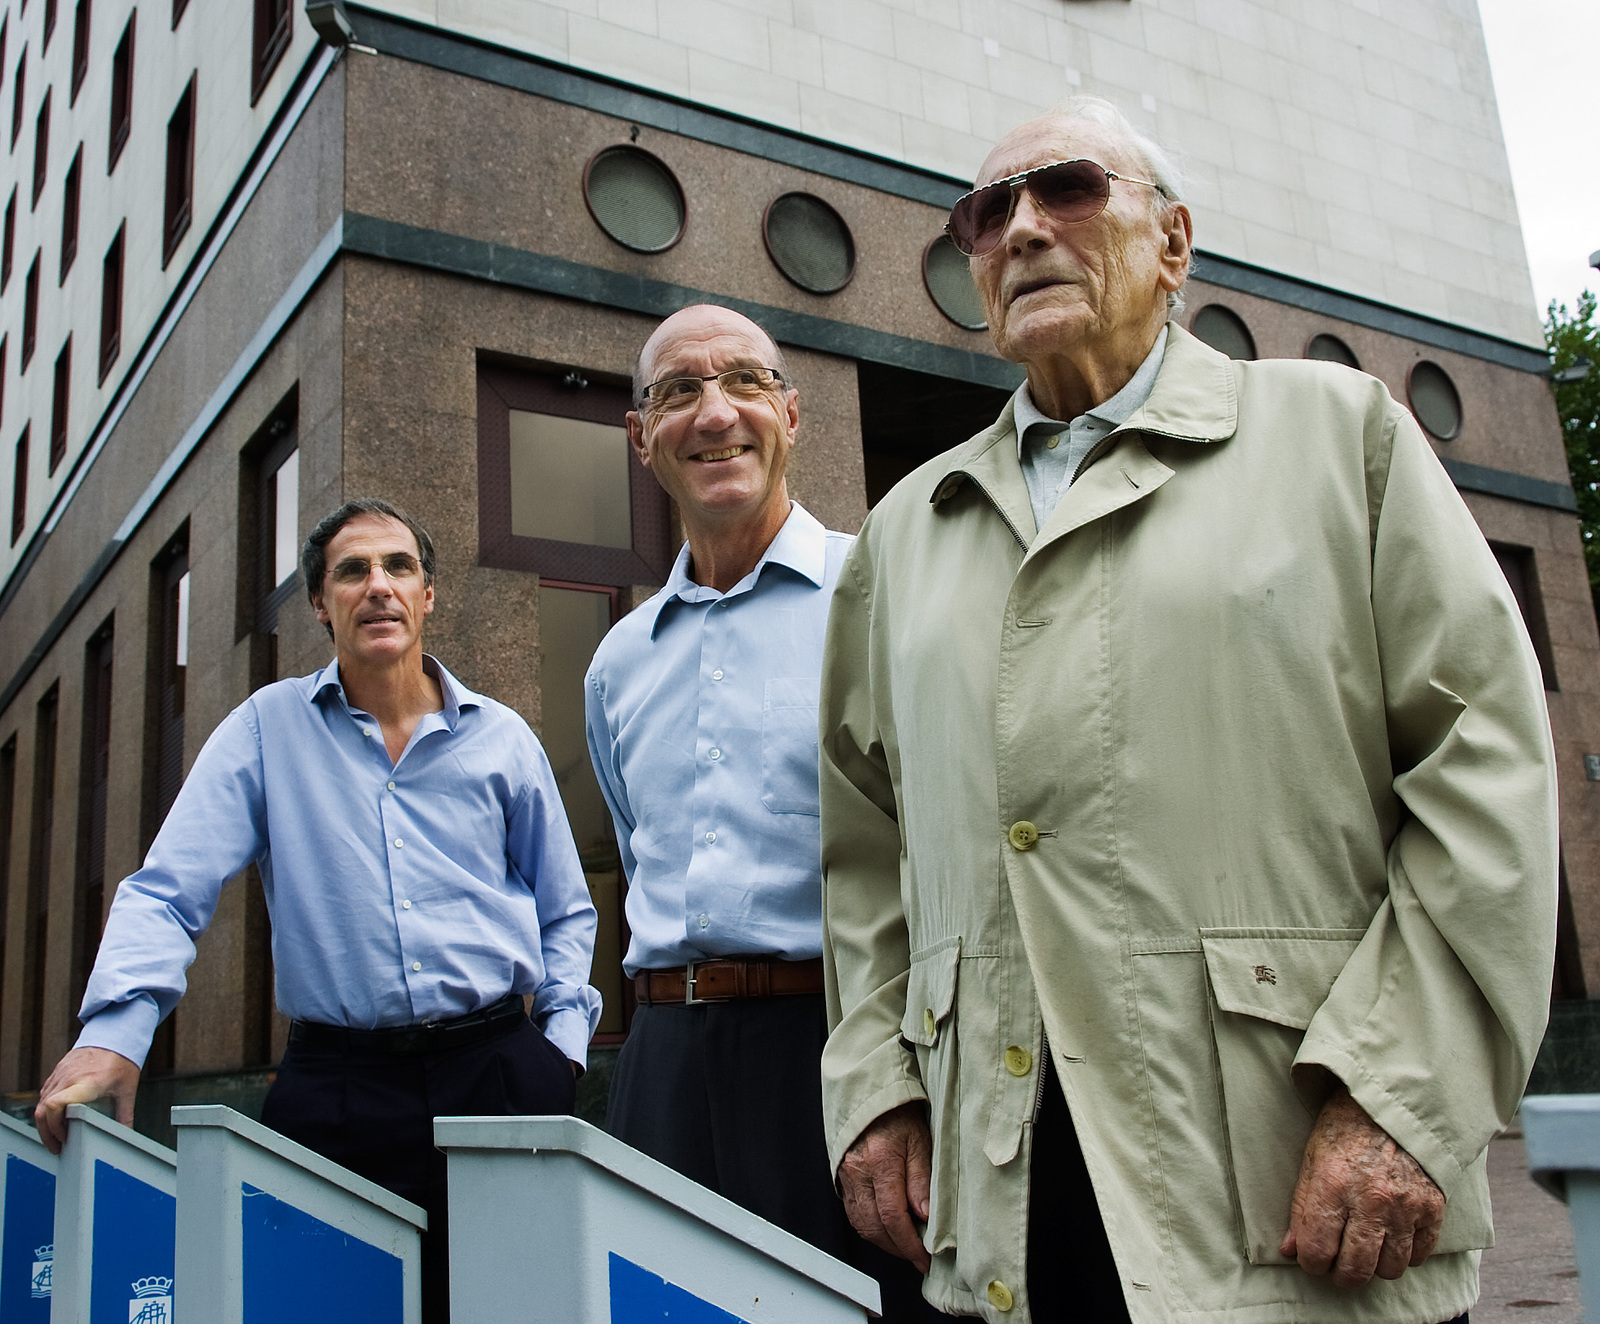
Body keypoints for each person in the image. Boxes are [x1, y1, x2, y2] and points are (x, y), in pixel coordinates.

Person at [817, 96, 1557, 1324]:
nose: (1022, 230)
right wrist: (876, 1087)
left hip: (1289, 1168)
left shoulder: (1337, 437)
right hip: (1000, 1183)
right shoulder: (905, 530)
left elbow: (1485, 767)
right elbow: (862, 857)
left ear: (1173, 242)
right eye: (986, 212)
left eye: (1066, 189)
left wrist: (1397, 1095)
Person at [36, 497, 600, 1323]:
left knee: (512, 1308)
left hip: (499, 1075)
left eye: (399, 567)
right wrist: (112, 1037)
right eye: (352, 571)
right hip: (338, 1089)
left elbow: (564, 911)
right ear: (318, 602)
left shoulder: (503, 737)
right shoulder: (265, 729)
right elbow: (168, 890)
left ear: (428, 594)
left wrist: (563, 1054)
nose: (379, 586)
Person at [584, 303, 937, 1320]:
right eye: (676, 392)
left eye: (742, 381)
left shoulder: (884, 593)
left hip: (838, 1048)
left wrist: (902, 1080)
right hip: (660, 1059)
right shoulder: (618, 662)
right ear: (641, 436)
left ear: (790, 411)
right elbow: (638, 851)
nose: (713, 413)